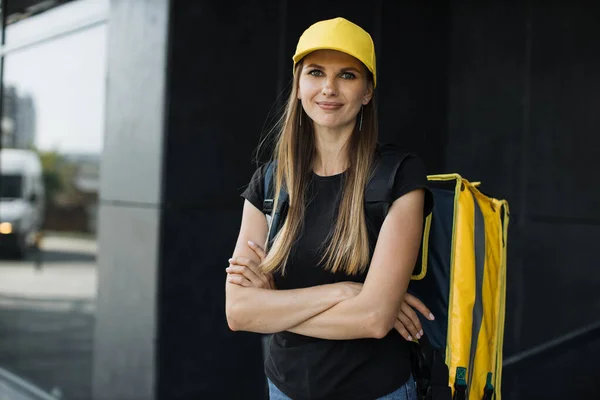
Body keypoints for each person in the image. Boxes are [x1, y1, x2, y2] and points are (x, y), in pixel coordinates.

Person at [225, 17, 434, 400]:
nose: (329, 88)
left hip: (376, 392)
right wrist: (343, 291)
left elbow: (373, 320)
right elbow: (239, 312)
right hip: (284, 389)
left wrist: (272, 309)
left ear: (368, 91)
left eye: (348, 75)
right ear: (299, 84)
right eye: (316, 72)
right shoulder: (270, 182)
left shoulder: (398, 176)